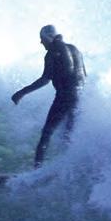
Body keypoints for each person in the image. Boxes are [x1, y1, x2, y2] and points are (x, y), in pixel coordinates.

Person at [11, 24, 86, 168]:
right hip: (79, 97)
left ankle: (36, 169)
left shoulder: (52, 53)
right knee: (68, 134)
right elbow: (84, 76)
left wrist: (21, 93)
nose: (41, 42)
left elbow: (45, 79)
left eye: (42, 39)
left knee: (46, 133)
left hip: (63, 98)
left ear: (48, 38)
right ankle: (69, 166)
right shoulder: (75, 49)